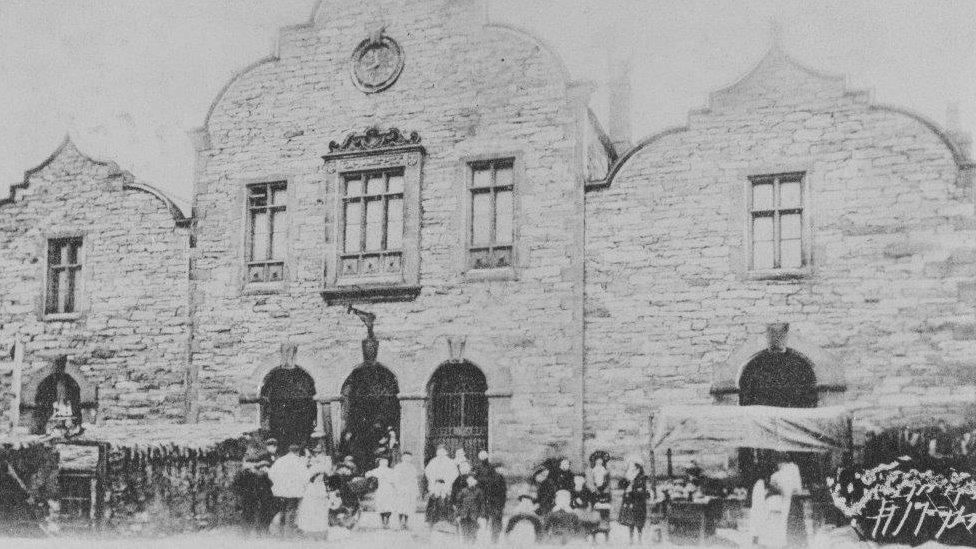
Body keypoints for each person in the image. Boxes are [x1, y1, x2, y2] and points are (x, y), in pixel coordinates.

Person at [267, 444, 307, 536]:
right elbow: (305, 477)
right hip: (294, 492)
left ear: (289, 451)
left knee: (282, 510)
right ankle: (288, 533)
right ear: (297, 452)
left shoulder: (280, 460)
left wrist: (278, 483)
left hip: (281, 491)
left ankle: (279, 533)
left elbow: (271, 474)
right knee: (291, 510)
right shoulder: (299, 461)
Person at [232, 453, 276, 536]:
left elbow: (235, 485)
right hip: (254, 497)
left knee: (247, 514)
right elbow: (270, 484)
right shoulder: (260, 474)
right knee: (255, 514)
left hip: (246, 497)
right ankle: (256, 532)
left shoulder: (241, 473)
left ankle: (247, 533)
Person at [296, 453, 333, 539]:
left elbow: (306, 479)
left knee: (313, 511)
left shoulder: (313, 470)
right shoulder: (323, 469)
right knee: (317, 511)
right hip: (318, 490)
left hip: (314, 490)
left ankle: (313, 531)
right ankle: (318, 531)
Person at [425, 445, 459, 526]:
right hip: (436, 483)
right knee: (434, 499)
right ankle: (432, 519)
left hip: (446, 483)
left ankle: (449, 518)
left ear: (446, 453)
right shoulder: (433, 461)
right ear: (437, 453)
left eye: (443, 452)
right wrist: (432, 481)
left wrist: (449, 481)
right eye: (439, 452)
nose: (441, 454)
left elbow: (455, 473)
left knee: (446, 499)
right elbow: (428, 472)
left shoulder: (450, 462)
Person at [619, 460, 650, 545]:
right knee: (630, 521)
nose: (631, 468)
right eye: (630, 467)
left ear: (638, 469)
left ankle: (639, 538)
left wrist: (631, 490)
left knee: (639, 521)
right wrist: (625, 478)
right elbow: (621, 485)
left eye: (632, 467)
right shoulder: (628, 477)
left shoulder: (642, 477)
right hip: (630, 502)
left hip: (639, 502)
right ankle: (631, 539)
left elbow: (643, 491)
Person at [391, 451, 420, 530]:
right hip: (400, 489)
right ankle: (400, 523)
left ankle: (406, 523)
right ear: (402, 458)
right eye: (405, 457)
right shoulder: (398, 467)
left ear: (411, 458)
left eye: (409, 457)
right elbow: (395, 479)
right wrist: (398, 488)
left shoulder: (412, 468)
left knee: (408, 507)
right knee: (400, 506)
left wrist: (416, 490)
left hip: (410, 489)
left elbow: (414, 480)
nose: (407, 459)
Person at [365, 456, 396, 528]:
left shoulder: (390, 471)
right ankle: (383, 522)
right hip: (381, 490)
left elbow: (395, 479)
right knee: (382, 506)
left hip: (389, 490)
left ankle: (387, 522)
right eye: (382, 462)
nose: (384, 463)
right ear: (379, 463)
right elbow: (367, 474)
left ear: (387, 463)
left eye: (385, 462)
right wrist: (373, 477)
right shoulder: (378, 470)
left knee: (389, 506)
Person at [455, 474, 486, 543]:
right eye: (469, 480)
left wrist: (481, 516)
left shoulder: (479, 491)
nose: (471, 481)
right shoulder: (463, 491)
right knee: (464, 535)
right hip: (464, 516)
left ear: (475, 482)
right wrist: (457, 515)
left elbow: (482, 504)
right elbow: (458, 504)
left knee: (473, 535)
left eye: (472, 480)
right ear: (467, 481)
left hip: (474, 516)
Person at [482, 462, 508, 544]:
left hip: (495, 504)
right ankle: (494, 540)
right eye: (501, 468)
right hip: (496, 504)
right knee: (496, 521)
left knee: (496, 521)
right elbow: (499, 493)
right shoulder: (497, 478)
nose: (503, 470)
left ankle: (495, 538)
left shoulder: (496, 477)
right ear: (497, 469)